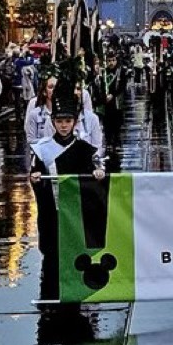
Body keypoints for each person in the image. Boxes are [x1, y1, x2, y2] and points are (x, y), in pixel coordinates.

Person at [29, 77, 105, 301]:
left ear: (74, 123)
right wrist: (35, 179)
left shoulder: (83, 148)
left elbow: (95, 173)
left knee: (77, 258)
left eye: (68, 121)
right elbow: (36, 174)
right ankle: (51, 300)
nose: (64, 125)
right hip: (52, 212)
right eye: (60, 121)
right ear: (53, 122)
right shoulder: (42, 149)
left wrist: (98, 174)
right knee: (52, 258)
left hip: (76, 215)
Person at [24, 71, 58, 171]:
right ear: (44, 91)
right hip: (41, 159)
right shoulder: (35, 111)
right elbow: (30, 135)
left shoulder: (67, 113)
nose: (54, 90)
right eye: (51, 87)